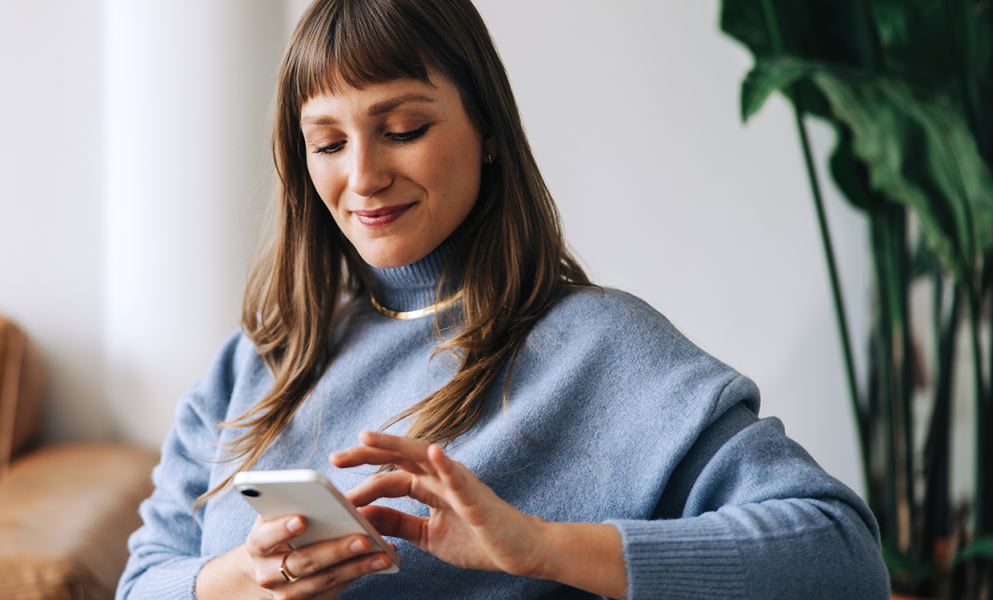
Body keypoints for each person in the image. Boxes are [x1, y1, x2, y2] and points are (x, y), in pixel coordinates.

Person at [115, 0, 890, 598]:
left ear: (486, 127)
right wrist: (244, 577)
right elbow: (142, 579)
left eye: (404, 127)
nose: (363, 176)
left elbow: (841, 554)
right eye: (328, 142)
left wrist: (546, 548)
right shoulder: (261, 361)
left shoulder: (599, 348)